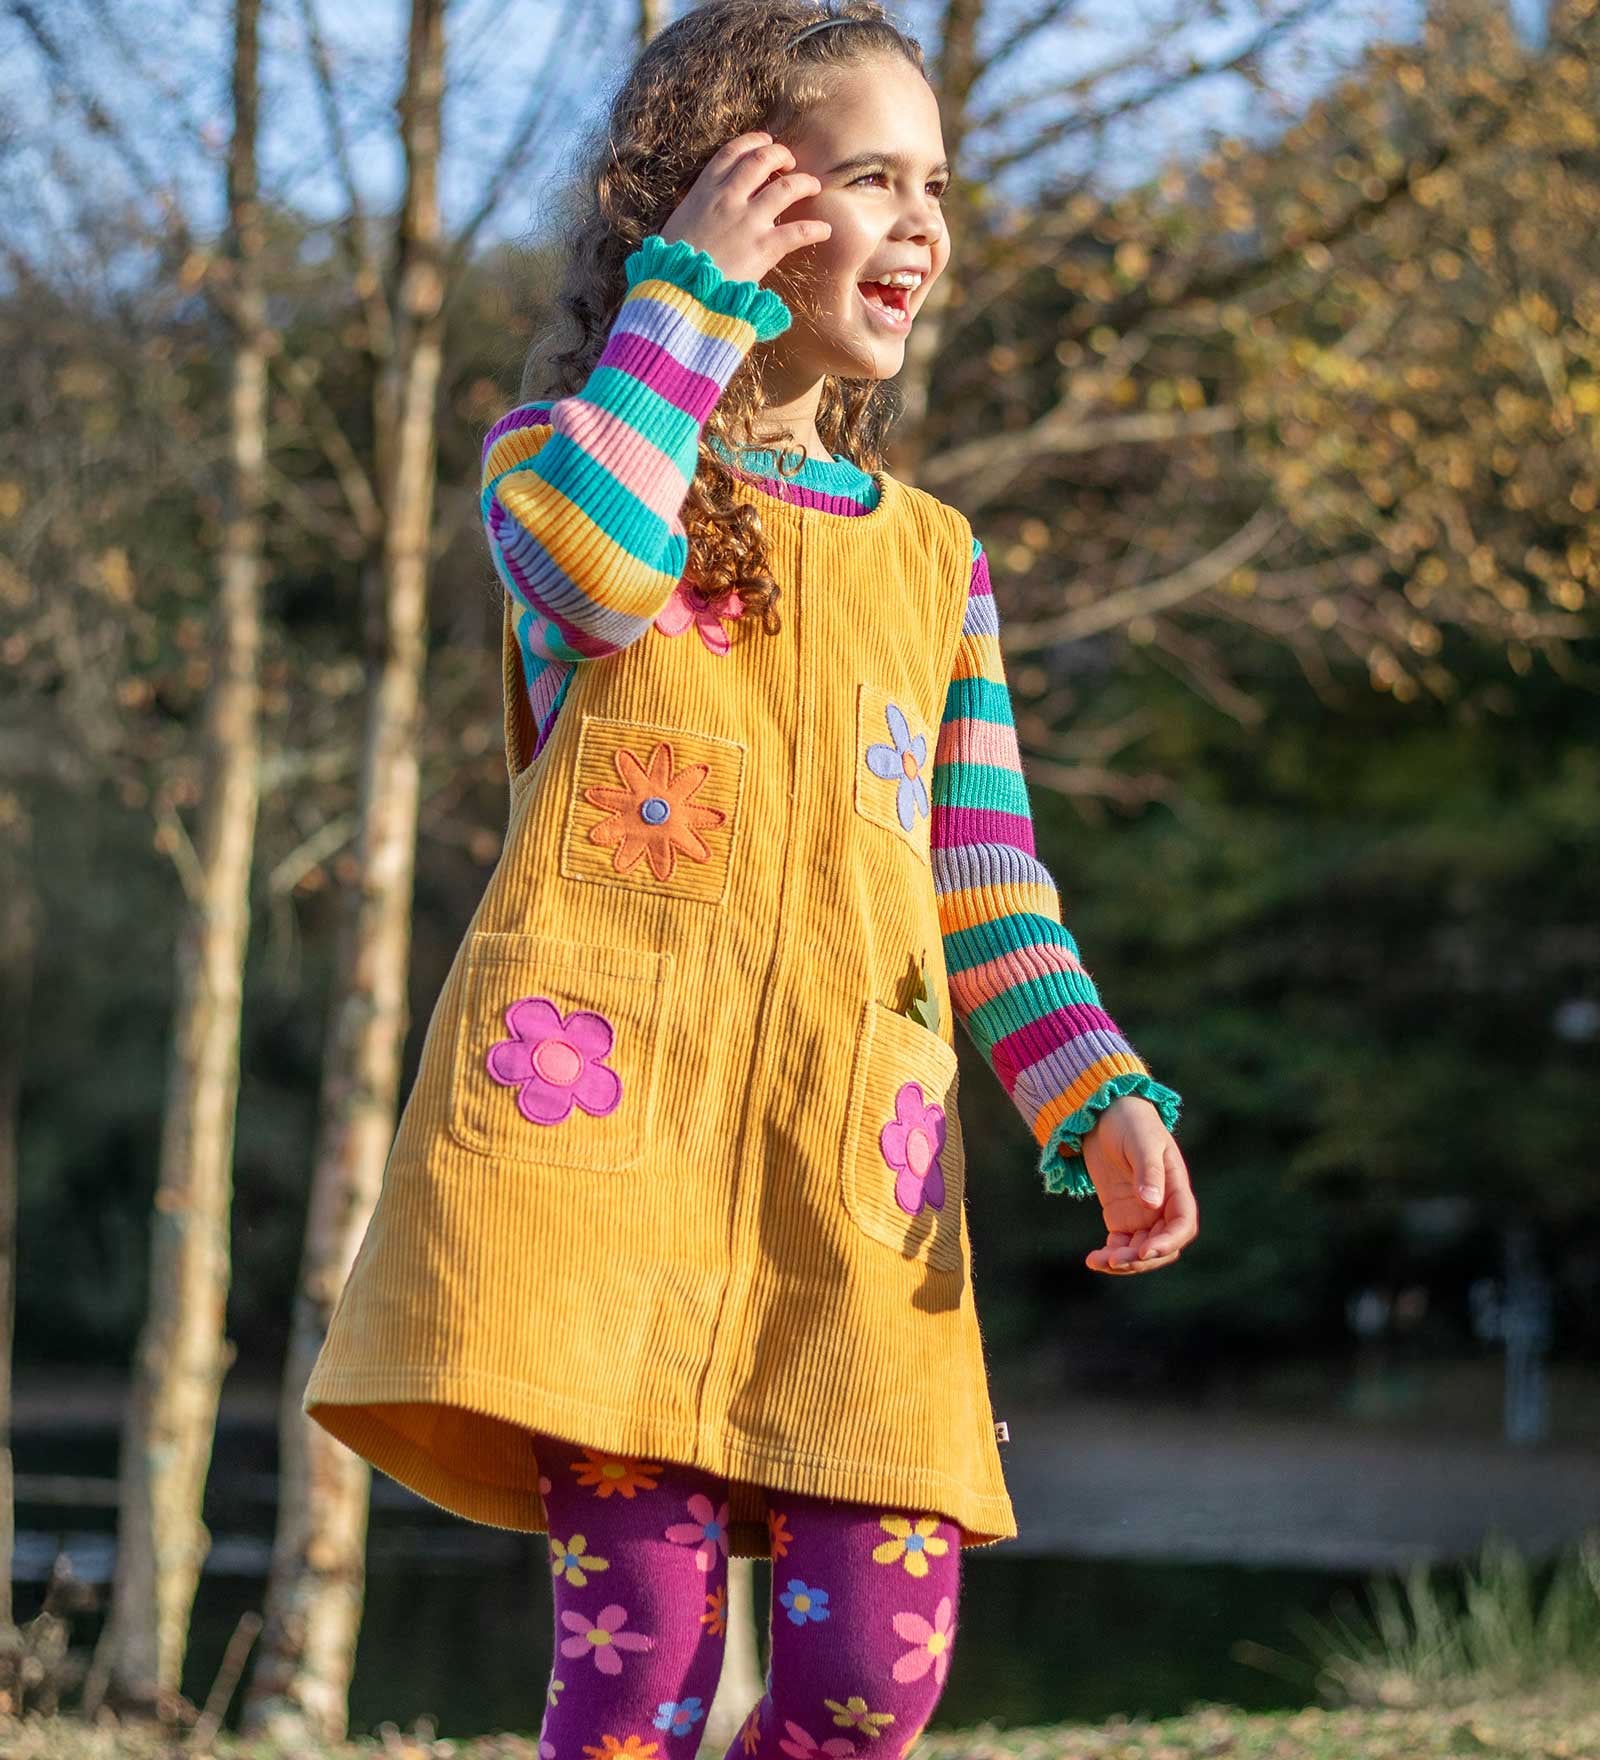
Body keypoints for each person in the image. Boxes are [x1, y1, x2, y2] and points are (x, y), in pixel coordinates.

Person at [302, 3, 1200, 1756]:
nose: (923, 224)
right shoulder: (563, 460)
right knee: (636, 1677)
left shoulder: (936, 560)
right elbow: (593, 576)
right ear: (737, 197)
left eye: (937, 185)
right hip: (611, 1177)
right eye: (870, 180)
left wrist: (1093, 1091)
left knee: (872, 1682)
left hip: (849, 1182)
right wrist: (685, 306)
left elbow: (988, 877)